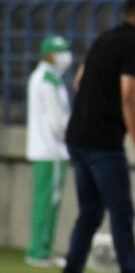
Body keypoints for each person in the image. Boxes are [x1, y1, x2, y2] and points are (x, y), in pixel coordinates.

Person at [63, 0, 135, 273]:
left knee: (90, 214)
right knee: (121, 216)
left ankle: (72, 268)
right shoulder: (134, 46)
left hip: (77, 138)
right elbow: (129, 97)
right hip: (103, 145)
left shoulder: (103, 38)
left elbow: (79, 82)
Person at [25, 35, 73, 268]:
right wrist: (72, 137)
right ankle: (39, 251)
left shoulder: (47, 77)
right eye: (60, 51)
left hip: (46, 149)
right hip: (51, 149)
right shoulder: (47, 79)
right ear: (48, 54)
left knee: (45, 202)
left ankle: (42, 250)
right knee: (47, 202)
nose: (65, 55)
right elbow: (57, 120)